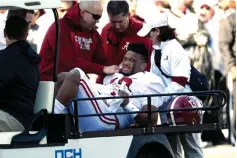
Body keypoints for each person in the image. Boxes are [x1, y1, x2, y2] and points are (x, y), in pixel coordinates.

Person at [54, 43, 165, 132]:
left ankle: (52, 120)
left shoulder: (148, 81)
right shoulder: (115, 76)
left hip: (108, 118)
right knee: (63, 76)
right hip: (94, 110)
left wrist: (127, 104)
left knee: (76, 73)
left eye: (132, 61)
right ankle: (58, 122)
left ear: (143, 66)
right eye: (125, 59)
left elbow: (152, 120)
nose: (126, 63)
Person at [137, 13, 204, 158]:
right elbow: (156, 81)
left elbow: (179, 82)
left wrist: (158, 98)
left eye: (149, 33)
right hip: (168, 107)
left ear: (157, 31)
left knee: (191, 149)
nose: (147, 37)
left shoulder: (175, 49)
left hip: (184, 106)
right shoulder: (157, 50)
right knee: (173, 150)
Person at [40, 0, 119, 81]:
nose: (98, 21)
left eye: (100, 17)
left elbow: (101, 61)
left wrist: (117, 69)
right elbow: (68, 61)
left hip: (74, 83)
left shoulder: (93, 33)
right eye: (96, 17)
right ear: (82, 13)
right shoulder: (61, 27)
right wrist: (103, 69)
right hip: (50, 83)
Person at [0, 16, 41, 132]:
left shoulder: (5, 57)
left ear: (4, 33)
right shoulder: (33, 60)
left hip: (11, 117)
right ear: (26, 35)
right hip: (23, 119)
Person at [97, 0, 152, 83]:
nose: (117, 26)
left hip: (133, 83)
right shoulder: (106, 30)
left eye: (120, 21)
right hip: (106, 80)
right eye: (113, 21)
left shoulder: (142, 32)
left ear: (128, 15)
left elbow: (148, 64)